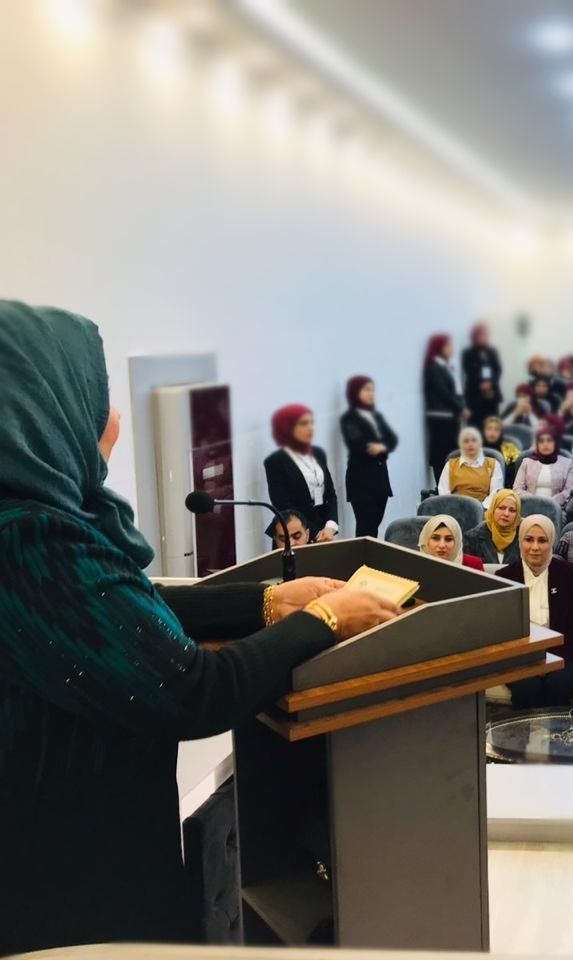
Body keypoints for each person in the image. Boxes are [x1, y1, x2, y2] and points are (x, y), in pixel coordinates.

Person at [0, 300, 401, 954]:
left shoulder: (37, 524)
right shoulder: (32, 542)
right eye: (94, 394)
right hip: (77, 883)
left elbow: (123, 607)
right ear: (41, 409)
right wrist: (327, 619)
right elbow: (194, 689)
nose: (114, 417)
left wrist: (268, 603)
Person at [497, 516, 573, 707]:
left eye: (542, 540)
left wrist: (551, 660)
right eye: (529, 540)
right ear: (520, 541)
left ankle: (557, 728)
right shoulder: (505, 577)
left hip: (562, 653)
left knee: (559, 684)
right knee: (527, 687)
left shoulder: (567, 572)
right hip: (519, 656)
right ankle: (523, 728)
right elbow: (501, 632)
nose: (535, 547)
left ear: (552, 542)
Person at [264, 404, 339, 542]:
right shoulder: (275, 461)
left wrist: (330, 526)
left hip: (325, 530)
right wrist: (315, 533)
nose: (310, 428)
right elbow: (282, 505)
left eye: (311, 422)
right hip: (294, 535)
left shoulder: (318, 453)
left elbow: (330, 494)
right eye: (304, 423)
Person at [339, 375, 398, 538]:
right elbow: (361, 446)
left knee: (375, 526)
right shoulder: (349, 418)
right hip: (362, 483)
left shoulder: (376, 416)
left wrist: (382, 446)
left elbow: (392, 439)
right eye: (366, 390)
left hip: (380, 481)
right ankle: (363, 554)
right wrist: (382, 445)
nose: (371, 393)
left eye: (372, 389)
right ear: (355, 392)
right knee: (366, 528)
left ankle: (371, 553)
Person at [423, 333, 467, 481]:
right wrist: (460, 409)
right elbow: (444, 392)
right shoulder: (434, 368)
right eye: (448, 346)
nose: (452, 349)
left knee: (452, 451)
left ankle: (450, 483)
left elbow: (456, 391)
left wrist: (461, 407)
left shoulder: (447, 366)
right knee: (441, 453)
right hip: (440, 417)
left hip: (451, 417)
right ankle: (441, 486)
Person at [438, 426, 504, 507]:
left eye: (474, 440)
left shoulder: (493, 464)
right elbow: (443, 493)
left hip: (483, 509)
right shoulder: (450, 465)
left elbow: (495, 493)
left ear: (480, 443)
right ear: (461, 445)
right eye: (466, 441)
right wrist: (454, 508)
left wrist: (480, 508)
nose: (470, 444)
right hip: (454, 507)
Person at [513, 427, 573, 507]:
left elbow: (569, 490)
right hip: (529, 506)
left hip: (557, 508)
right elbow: (517, 488)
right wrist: (534, 501)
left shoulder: (567, 464)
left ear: (556, 443)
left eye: (549, 440)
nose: (545, 444)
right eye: (541, 441)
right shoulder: (526, 462)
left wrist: (550, 503)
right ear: (537, 444)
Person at [463, 488, 521, 564]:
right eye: (501, 508)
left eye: (512, 510)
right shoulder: (472, 538)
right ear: (493, 509)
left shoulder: (524, 537)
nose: (506, 514)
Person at [461, 322, 502, 420]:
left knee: (493, 422)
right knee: (476, 423)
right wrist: (480, 384)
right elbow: (468, 371)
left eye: (485, 335)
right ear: (474, 336)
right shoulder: (467, 353)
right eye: (481, 335)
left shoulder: (492, 351)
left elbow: (498, 370)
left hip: (492, 395)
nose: (484, 338)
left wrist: (491, 383)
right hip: (474, 396)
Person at [418, 514, 485, 571]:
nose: (442, 545)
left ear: (457, 542)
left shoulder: (473, 565)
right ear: (426, 540)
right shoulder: (415, 565)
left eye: (448, 539)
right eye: (435, 538)